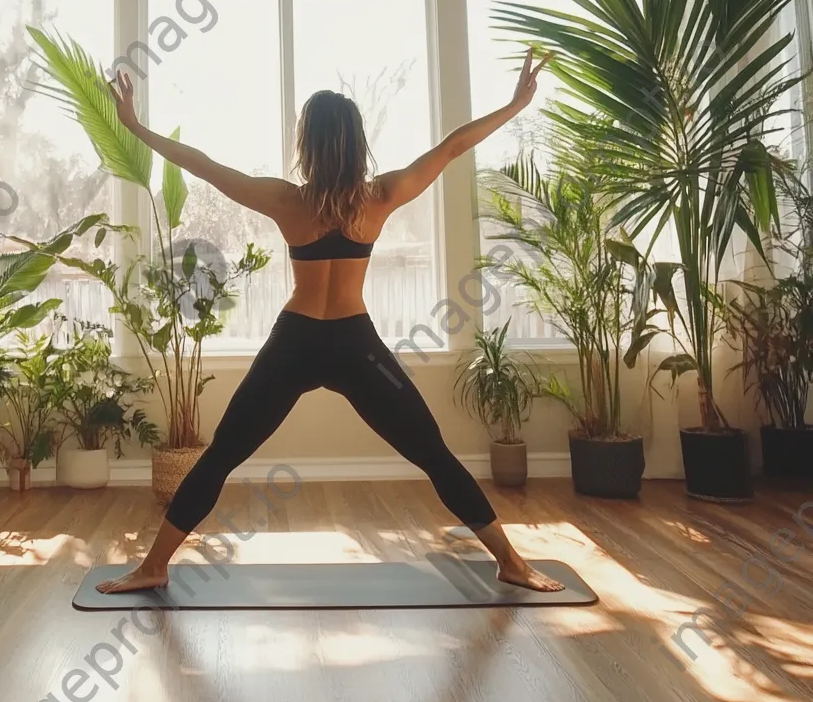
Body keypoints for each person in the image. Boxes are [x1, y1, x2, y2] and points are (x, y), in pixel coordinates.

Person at [99, 49, 563, 594]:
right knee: (432, 452)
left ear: (308, 145)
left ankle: (155, 566)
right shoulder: (381, 197)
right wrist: (514, 105)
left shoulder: (286, 200)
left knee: (224, 452)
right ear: (356, 141)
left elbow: (203, 164)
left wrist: (135, 125)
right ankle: (510, 560)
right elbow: (453, 146)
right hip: (355, 345)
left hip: (295, 341)